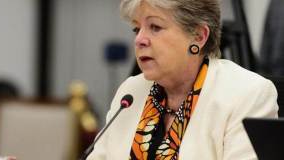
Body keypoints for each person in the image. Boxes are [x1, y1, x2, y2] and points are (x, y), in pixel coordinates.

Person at [87, 0, 278, 160]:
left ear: (199, 36)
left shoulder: (247, 94)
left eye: (155, 27)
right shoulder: (131, 91)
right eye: (137, 29)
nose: (140, 40)